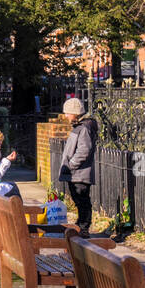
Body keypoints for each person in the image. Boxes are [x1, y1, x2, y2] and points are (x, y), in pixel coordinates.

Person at [58, 97, 96, 234]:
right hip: (75, 172)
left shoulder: (83, 129)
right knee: (79, 200)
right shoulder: (79, 128)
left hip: (80, 173)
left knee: (82, 200)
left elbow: (83, 150)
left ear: (75, 113)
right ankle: (81, 225)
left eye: (68, 113)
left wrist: (71, 165)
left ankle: (84, 227)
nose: (66, 115)